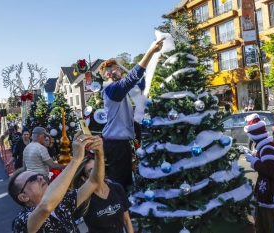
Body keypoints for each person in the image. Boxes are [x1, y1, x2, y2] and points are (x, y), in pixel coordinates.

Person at [99, 38, 165, 192]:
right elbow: (132, 78)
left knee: (125, 181)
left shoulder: (118, 90)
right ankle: (122, 214)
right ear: (108, 73)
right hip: (116, 145)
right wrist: (150, 52)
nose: (121, 70)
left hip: (119, 144)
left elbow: (140, 83)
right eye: (117, 68)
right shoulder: (112, 90)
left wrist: (154, 63)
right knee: (121, 184)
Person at [9, 132, 105, 233]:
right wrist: (76, 159)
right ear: (23, 197)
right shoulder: (21, 222)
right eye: (32, 179)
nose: (40, 178)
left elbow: (94, 181)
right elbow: (45, 207)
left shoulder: (61, 203)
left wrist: (99, 153)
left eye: (38, 175)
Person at [243, 113, 274, 233]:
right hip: (264, 191)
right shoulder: (265, 147)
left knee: (270, 224)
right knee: (261, 224)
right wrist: (253, 155)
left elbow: (269, 171)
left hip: (270, 191)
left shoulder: (268, 148)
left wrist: (254, 161)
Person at [72, 155, 133, 233]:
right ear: (84, 178)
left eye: (97, 167)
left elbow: (127, 221)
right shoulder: (83, 198)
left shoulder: (117, 188)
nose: (97, 171)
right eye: (91, 170)